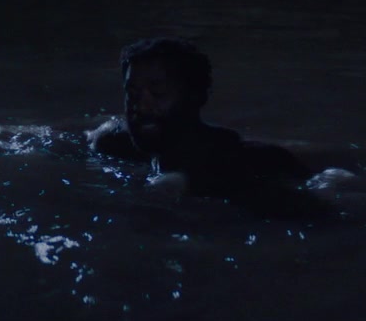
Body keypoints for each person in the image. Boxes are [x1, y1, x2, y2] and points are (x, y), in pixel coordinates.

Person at [85, 38, 316, 203]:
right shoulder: (113, 142)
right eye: (132, 93)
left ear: (195, 97)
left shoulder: (250, 161)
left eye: (158, 93)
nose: (140, 106)